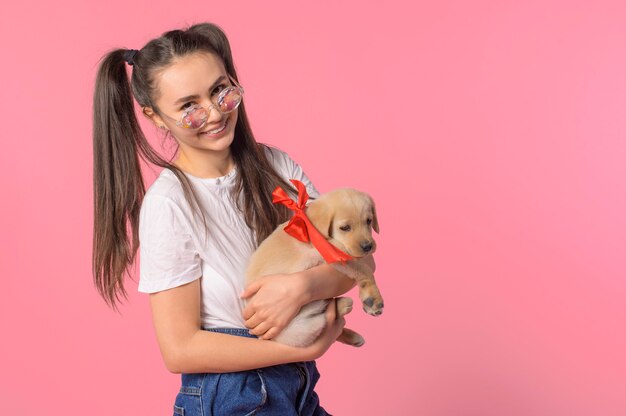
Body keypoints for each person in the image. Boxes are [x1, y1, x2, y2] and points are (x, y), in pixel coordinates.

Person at [92, 22, 373, 415]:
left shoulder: (276, 166)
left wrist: (302, 287)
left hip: (298, 388)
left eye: (220, 90)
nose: (212, 113)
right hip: (234, 394)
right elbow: (180, 349)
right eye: (189, 106)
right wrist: (301, 345)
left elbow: (355, 262)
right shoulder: (169, 205)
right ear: (155, 117)